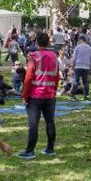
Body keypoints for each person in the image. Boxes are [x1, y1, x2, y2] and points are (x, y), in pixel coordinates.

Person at [18, 32, 60, 160]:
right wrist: (54, 90)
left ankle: (30, 151)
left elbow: (28, 78)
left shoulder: (33, 56)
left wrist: (25, 95)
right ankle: (50, 148)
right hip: (50, 94)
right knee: (50, 121)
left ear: (36, 43)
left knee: (33, 124)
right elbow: (57, 76)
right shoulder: (54, 56)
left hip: (35, 95)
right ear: (48, 43)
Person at [70, 35, 91, 101]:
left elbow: (74, 58)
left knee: (75, 80)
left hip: (78, 66)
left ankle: (73, 95)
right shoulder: (90, 48)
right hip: (86, 66)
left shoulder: (77, 47)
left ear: (80, 40)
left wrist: (73, 66)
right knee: (85, 81)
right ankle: (86, 95)